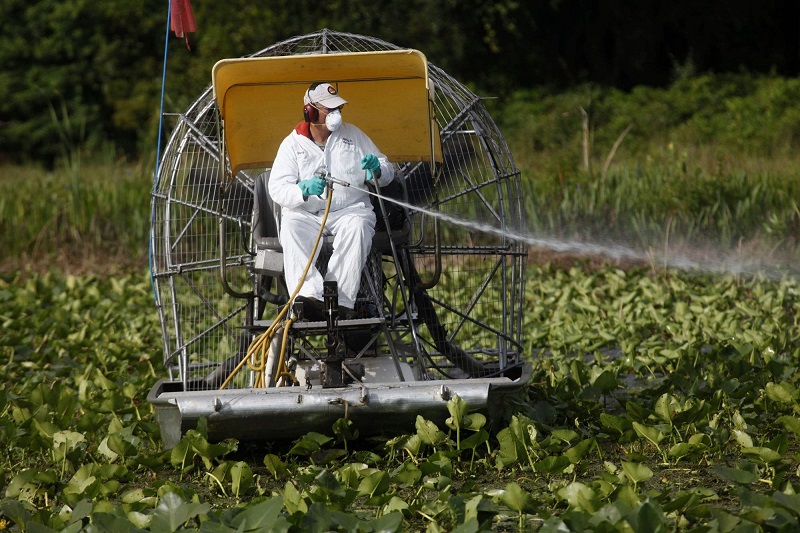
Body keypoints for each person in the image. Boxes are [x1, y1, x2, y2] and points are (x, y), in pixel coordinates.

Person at [268, 82, 394, 320]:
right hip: (307, 215)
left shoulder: (354, 135)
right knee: (291, 227)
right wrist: (301, 190)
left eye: (338, 108)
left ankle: (341, 300)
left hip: (349, 210)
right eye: (330, 109)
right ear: (310, 111)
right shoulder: (292, 144)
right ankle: (308, 298)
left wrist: (378, 170)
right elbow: (277, 188)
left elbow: (387, 169)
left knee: (358, 227)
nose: (336, 114)